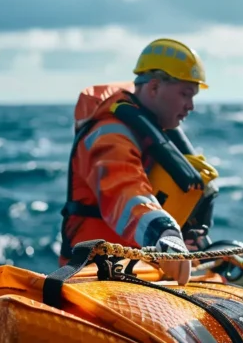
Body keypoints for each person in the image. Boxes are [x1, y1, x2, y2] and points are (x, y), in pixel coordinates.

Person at [57, 38, 220, 286]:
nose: (191, 106)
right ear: (154, 88)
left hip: (135, 268)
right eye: (185, 94)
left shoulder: (150, 128)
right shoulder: (109, 134)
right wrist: (164, 233)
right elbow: (125, 191)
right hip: (94, 276)